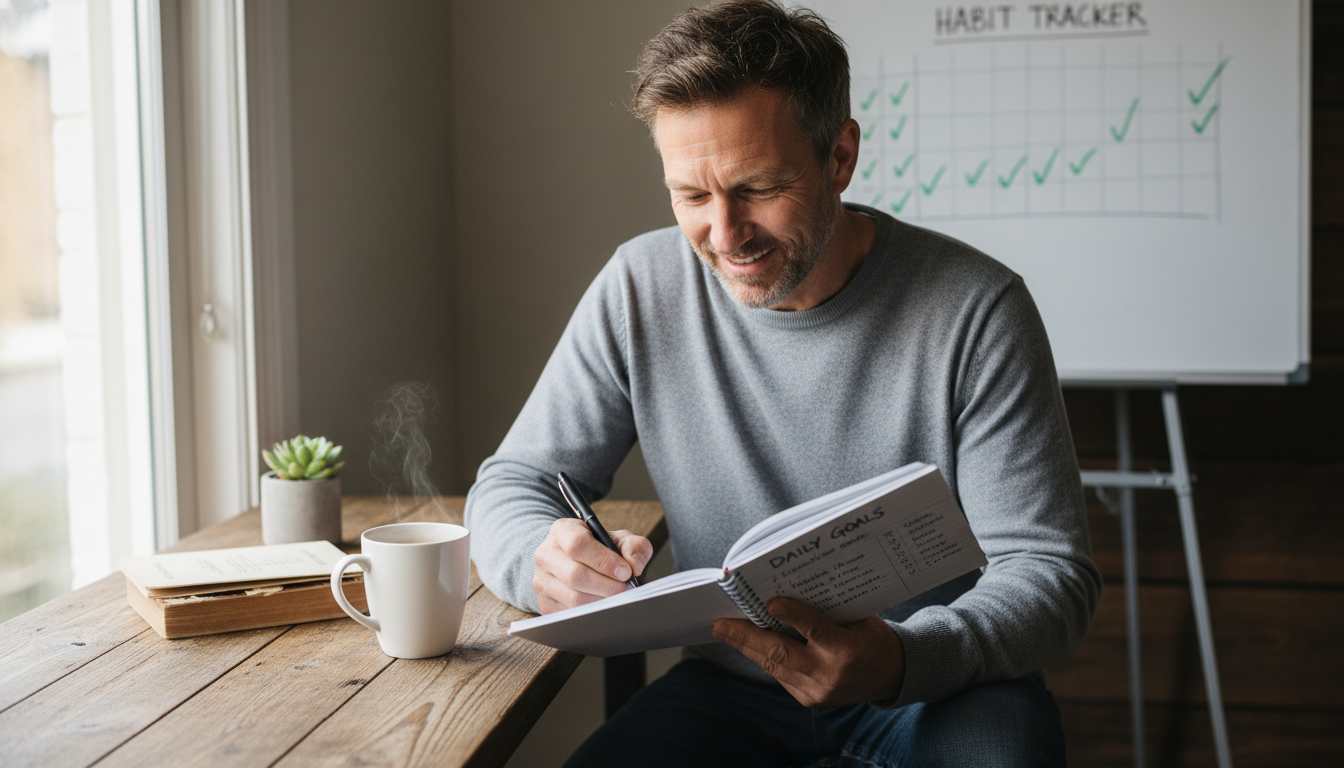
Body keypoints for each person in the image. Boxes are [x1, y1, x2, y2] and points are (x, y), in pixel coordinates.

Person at [465, 1, 1101, 765]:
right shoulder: (640, 287)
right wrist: (540, 560)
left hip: (935, 683)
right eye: (691, 196)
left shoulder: (976, 309)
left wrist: (902, 659)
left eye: (759, 188)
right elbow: (514, 482)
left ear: (840, 156)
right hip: (731, 689)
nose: (725, 236)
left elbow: (1049, 574)